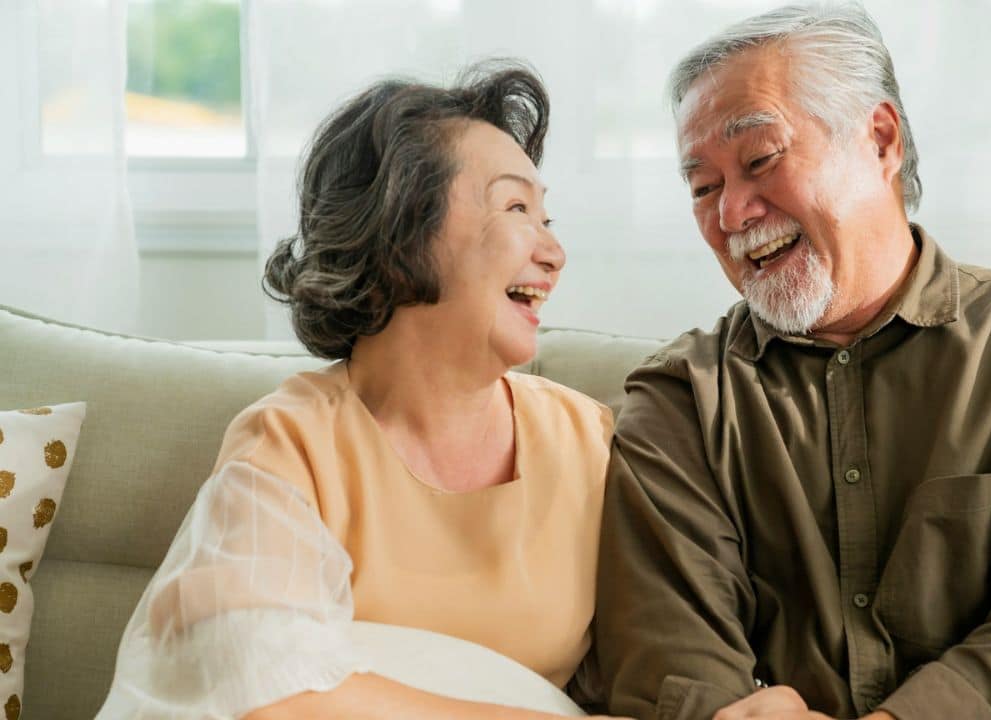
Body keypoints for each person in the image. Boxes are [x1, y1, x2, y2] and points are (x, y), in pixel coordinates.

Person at [591, 4, 991, 719]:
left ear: (879, 140)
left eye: (759, 160)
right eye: (703, 187)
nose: (732, 213)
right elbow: (667, 646)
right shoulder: (682, 397)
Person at [98, 62, 623, 720]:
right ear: (404, 227)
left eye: (549, 219)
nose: (554, 253)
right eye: (518, 208)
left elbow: (672, 660)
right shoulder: (292, 443)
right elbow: (267, 692)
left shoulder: (590, 442)